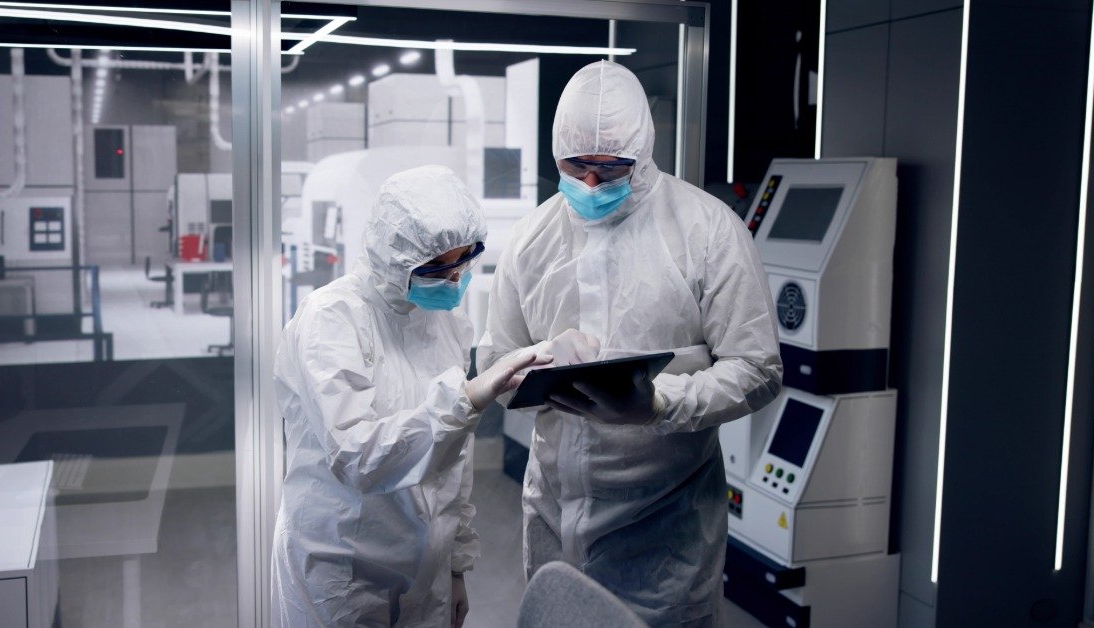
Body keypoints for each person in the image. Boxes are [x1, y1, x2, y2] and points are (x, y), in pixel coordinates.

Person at [478, 61, 783, 626]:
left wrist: (660, 404)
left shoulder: (708, 232)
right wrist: (531, 372)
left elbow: (758, 368)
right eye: (576, 166)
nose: (591, 184)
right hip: (552, 521)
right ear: (556, 153)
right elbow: (497, 361)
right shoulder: (530, 240)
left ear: (643, 154)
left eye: (611, 168)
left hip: (664, 538)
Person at [272, 165, 551, 627]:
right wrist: (466, 400)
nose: (455, 278)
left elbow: (451, 462)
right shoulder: (332, 320)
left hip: (427, 570)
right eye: (439, 267)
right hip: (343, 573)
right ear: (395, 258)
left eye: (465, 260)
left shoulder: (444, 323)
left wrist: (456, 565)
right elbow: (359, 456)